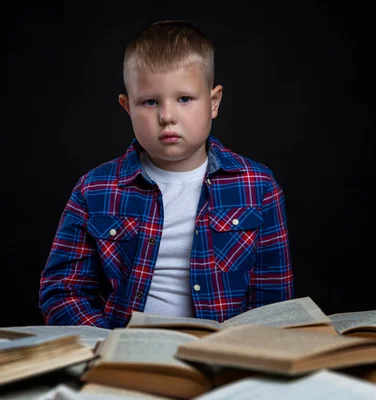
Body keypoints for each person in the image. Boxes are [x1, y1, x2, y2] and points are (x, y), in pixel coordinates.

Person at [38, 20, 293, 328]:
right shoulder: (94, 190)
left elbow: (272, 298)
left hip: (223, 357)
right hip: (122, 354)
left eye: (184, 99)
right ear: (127, 107)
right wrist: (108, 344)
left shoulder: (258, 187)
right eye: (149, 102)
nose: (167, 116)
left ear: (213, 103)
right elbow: (62, 291)